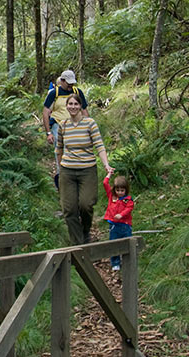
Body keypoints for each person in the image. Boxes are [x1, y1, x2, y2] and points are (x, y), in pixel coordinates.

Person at [56, 93, 113, 245]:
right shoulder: (63, 125)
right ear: (66, 106)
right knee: (69, 209)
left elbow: (99, 145)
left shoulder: (90, 123)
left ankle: (86, 230)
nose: (73, 107)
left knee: (86, 204)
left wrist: (106, 164)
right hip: (67, 171)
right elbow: (59, 148)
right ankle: (78, 244)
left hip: (87, 170)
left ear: (80, 106)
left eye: (76, 104)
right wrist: (60, 168)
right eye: (70, 104)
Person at [103, 169, 134, 271]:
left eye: (122, 190)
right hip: (114, 225)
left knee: (128, 242)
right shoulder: (112, 197)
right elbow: (105, 183)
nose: (120, 192)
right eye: (118, 190)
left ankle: (128, 261)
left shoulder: (128, 200)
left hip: (125, 225)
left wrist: (121, 214)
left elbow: (129, 208)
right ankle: (115, 263)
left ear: (126, 190)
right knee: (114, 243)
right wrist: (109, 174)